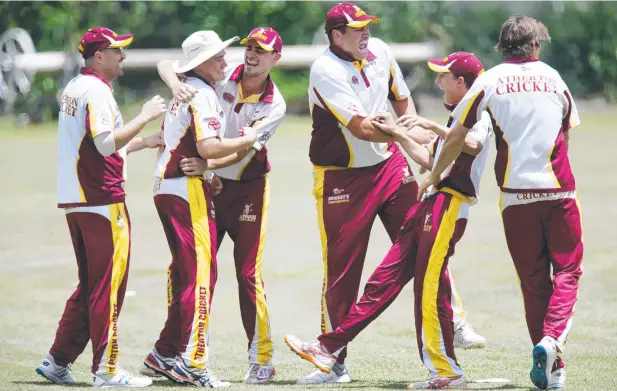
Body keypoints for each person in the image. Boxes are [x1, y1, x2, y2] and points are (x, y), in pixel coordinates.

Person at [292, 2, 485, 384]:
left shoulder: (380, 51)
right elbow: (362, 128)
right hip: (341, 178)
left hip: (389, 165)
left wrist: (407, 128)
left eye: (367, 26)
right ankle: (334, 363)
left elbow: (401, 99)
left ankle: (455, 321)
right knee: (342, 272)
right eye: (357, 28)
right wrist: (411, 135)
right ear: (336, 36)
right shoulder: (326, 69)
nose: (366, 33)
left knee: (425, 245)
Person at [418, 16, 582, 390]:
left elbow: (458, 137)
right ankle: (551, 341)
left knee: (534, 283)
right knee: (569, 272)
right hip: (558, 192)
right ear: (537, 44)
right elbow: (565, 132)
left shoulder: (488, 80)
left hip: (514, 198)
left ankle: (555, 374)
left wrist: (431, 175)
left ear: (502, 47)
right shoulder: (554, 77)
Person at [151, 27, 286, 385]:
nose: (252, 54)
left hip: (248, 189)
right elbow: (167, 62)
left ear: (276, 58)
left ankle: (261, 360)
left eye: (262, 49)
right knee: (189, 270)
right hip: (208, 186)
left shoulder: (276, 104)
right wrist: (173, 82)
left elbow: (245, 147)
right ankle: (170, 352)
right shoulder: (220, 78)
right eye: (250, 47)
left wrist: (208, 166)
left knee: (246, 274)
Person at [35, 27, 166, 388]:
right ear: (98, 57)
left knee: (92, 284)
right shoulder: (96, 90)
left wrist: (146, 140)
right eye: (117, 51)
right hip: (101, 200)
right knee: (108, 288)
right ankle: (107, 371)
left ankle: (57, 361)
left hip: (79, 200)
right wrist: (146, 115)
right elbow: (106, 144)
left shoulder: (77, 87)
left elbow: (96, 145)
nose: (123, 56)